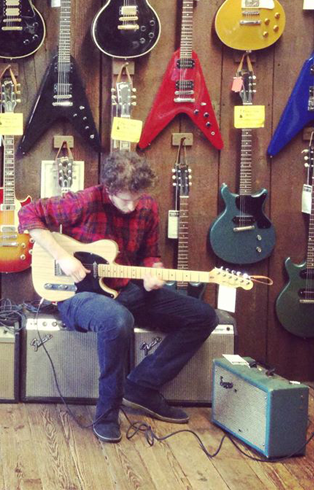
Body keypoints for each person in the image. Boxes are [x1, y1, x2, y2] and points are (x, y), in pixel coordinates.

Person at [18, 150, 218, 443]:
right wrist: (62, 257)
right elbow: (27, 214)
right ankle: (107, 413)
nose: (132, 205)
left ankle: (142, 387)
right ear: (109, 189)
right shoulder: (85, 200)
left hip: (124, 289)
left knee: (203, 316)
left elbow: (150, 255)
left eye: (137, 197)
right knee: (117, 319)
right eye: (125, 200)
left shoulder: (147, 206)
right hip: (76, 295)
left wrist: (154, 271)